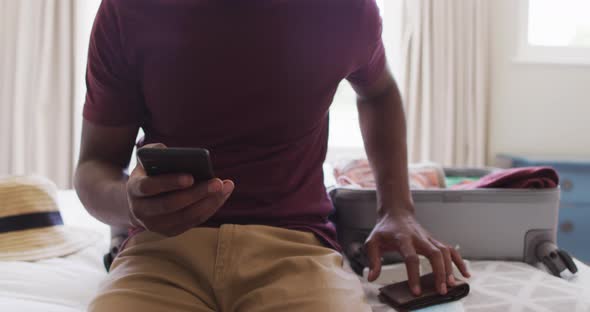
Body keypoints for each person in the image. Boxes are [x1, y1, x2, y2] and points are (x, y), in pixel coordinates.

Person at [74, 0, 470, 311]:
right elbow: (95, 167)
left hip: (297, 247)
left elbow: (378, 91)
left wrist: (397, 208)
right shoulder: (129, 9)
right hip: (161, 251)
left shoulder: (343, 10)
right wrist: (130, 203)